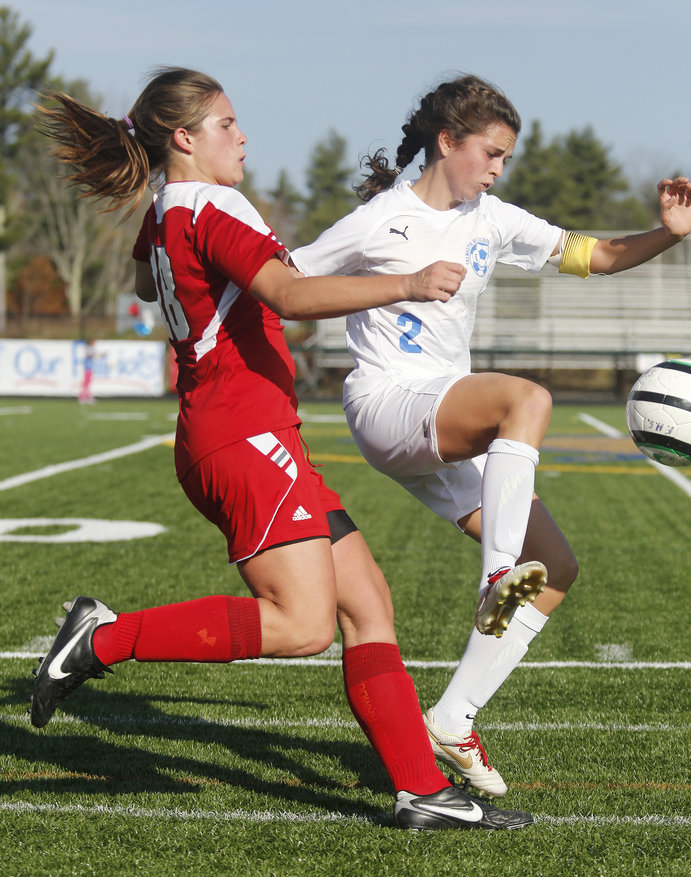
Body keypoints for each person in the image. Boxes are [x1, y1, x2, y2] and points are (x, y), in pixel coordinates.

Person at [29, 67, 534, 831]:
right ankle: (102, 638)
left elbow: (143, 282)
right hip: (242, 432)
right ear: (185, 138)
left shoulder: (168, 204)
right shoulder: (211, 201)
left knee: (369, 605)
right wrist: (405, 282)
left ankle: (421, 790)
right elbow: (290, 296)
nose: (243, 137)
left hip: (239, 430)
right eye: (227, 124)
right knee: (303, 625)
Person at [292, 73, 691, 797]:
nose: (498, 168)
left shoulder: (492, 217)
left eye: (507, 158)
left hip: (446, 417)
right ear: (447, 142)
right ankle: (494, 575)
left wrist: (664, 236)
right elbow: (288, 288)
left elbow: (595, 256)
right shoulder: (378, 222)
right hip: (387, 403)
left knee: (556, 564)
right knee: (528, 399)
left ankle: (454, 716)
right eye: (491, 152)